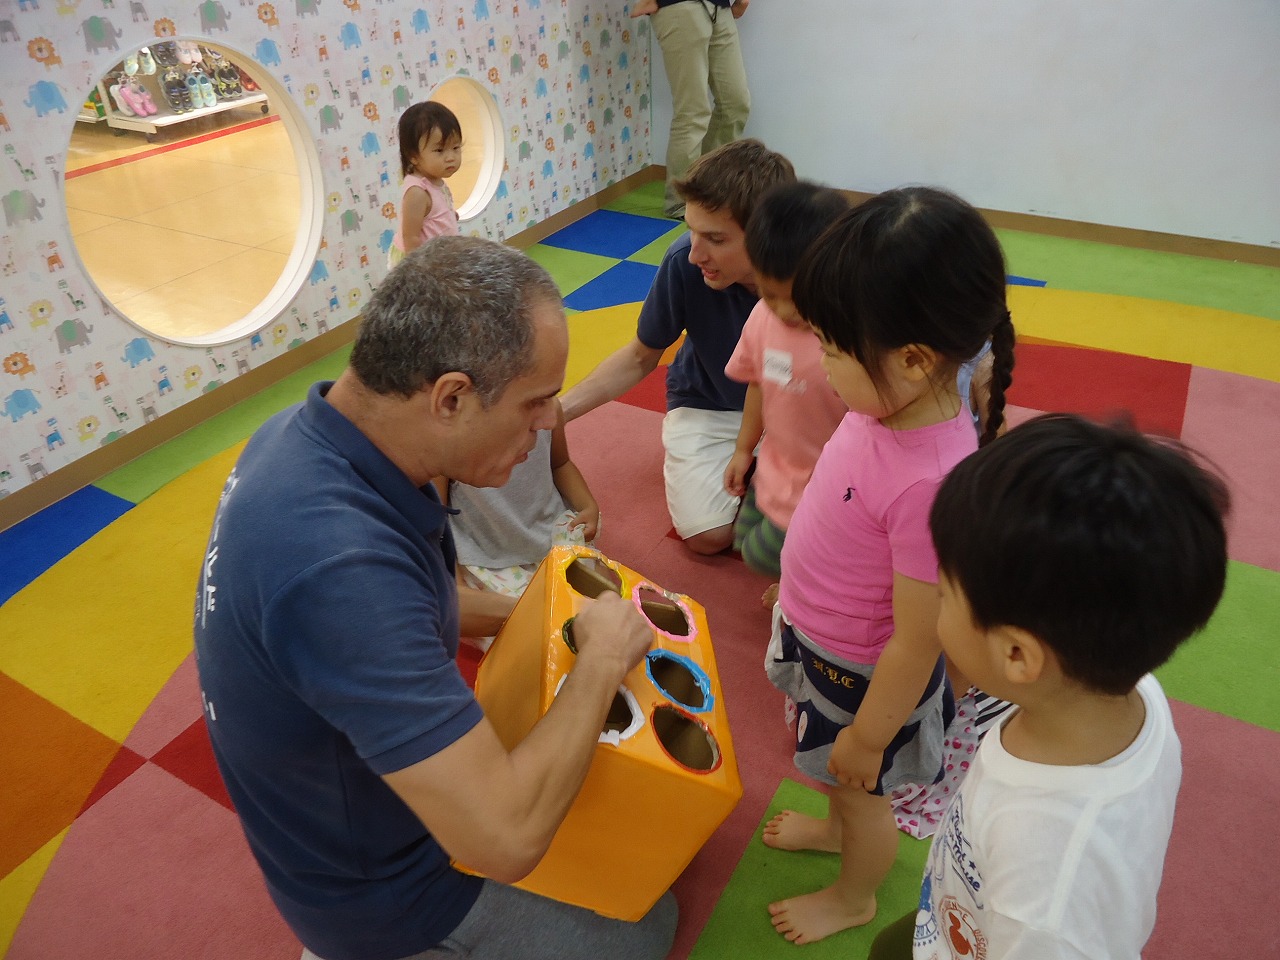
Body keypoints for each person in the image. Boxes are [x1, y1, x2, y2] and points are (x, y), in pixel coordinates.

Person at [193, 237, 677, 960]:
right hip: (390, 895)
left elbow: (422, 610)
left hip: (351, 811)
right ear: (450, 397)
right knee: (648, 920)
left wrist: (546, 615)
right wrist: (601, 660)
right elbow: (506, 841)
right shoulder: (341, 573)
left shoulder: (305, 436)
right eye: (535, 402)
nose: (551, 421)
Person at [867, 414, 1231, 960]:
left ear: (1017, 655)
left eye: (943, 594)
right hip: (957, 908)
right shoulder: (1121, 690)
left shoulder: (1048, 893)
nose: (933, 604)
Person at [761, 187, 1016, 945]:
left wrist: (872, 739)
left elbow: (919, 638)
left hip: (862, 676)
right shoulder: (887, 408)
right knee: (831, 772)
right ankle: (836, 828)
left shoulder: (928, 480)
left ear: (912, 359)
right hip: (821, 636)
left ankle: (854, 896)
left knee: (859, 784)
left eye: (833, 348)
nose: (823, 361)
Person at [560, 138, 795, 556]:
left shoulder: (816, 278)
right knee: (707, 536)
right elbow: (639, 356)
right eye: (691, 229)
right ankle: (761, 475)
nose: (695, 254)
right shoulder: (683, 262)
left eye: (715, 238)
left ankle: (767, 473)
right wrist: (557, 413)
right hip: (711, 403)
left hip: (795, 409)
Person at [722, 181, 850, 607]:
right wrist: (743, 449)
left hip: (823, 485)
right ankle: (800, 576)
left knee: (764, 554)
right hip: (774, 465)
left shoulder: (848, 337)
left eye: (797, 298)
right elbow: (758, 384)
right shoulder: (762, 319)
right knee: (744, 540)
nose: (784, 310)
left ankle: (805, 589)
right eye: (769, 294)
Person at [443, 398, 601, 650]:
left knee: (607, 601)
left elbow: (560, 463)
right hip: (491, 557)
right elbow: (436, 515)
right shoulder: (450, 437)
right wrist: (456, 585)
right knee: (533, 639)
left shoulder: (549, 410)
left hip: (552, 533)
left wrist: (588, 506)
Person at [631, 0, 751, 219]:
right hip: (680, 7)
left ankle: (709, 187)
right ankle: (681, 201)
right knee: (693, 111)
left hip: (720, 8)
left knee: (735, 104)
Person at [391, 101, 462, 265]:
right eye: (439, 150)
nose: (451, 157)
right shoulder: (417, 192)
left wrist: (449, 216)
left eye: (456, 148)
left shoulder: (435, 178)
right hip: (418, 263)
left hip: (438, 257)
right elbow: (410, 237)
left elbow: (433, 213)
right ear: (413, 156)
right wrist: (419, 272)